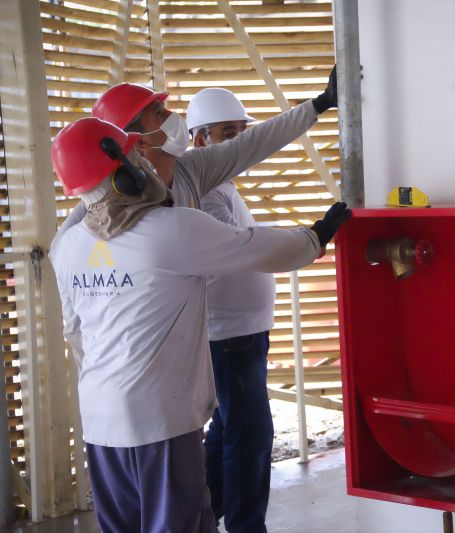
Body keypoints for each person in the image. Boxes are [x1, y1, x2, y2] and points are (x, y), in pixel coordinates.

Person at [49, 117, 350, 533]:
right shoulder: (170, 230)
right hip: (161, 419)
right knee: (182, 524)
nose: (146, 162)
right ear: (123, 172)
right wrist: (316, 236)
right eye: (136, 154)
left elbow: (74, 332)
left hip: (100, 422)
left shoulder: (67, 246)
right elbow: (255, 248)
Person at [185, 87, 317, 531]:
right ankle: (244, 525)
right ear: (200, 140)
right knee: (250, 436)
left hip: (242, 332)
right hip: (228, 337)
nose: (239, 140)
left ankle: (206, 515)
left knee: (228, 431)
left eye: (243, 131)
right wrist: (310, 239)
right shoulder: (200, 191)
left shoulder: (220, 184)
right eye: (228, 133)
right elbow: (243, 249)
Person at [53, 66, 338, 242]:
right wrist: (308, 240)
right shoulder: (105, 199)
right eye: (159, 114)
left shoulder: (191, 169)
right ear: (136, 142)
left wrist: (318, 104)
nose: (172, 116)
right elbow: (62, 251)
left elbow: (253, 143)